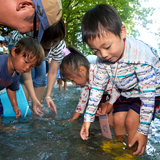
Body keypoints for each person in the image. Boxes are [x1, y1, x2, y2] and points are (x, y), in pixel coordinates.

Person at [80, 4, 160, 156]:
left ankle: (132, 151)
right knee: (117, 119)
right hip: (126, 91)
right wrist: (88, 119)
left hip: (151, 91)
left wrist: (143, 131)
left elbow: (147, 96)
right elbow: (97, 88)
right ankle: (119, 146)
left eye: (107, 47)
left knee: (131, 121)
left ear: (122, 32)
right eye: (96, 50)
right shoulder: (103, 59)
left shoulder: (140, 56)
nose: (103, 54)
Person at [18, 18, 66, 115]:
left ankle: (36, 107)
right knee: (23, 78)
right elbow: (26, 72)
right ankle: (24, 108)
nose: (50, 44)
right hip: (23, 49)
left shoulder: (60, 46)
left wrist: (48, 96)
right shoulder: (30, 36)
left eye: (55, 41)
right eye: (47, 40)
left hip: (41, 56)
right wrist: (33, 97)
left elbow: (52, 72)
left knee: (41, 78)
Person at [60, 46, 119, 122]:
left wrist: (109, 104)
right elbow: (82, 102)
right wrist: (72, 120)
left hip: (119, 91)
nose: (73, 83)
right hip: (107, 93)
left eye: (72, 79)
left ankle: (111, 128)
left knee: (111, 114)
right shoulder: (84, 81)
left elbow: (116, 91)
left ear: (82, 70)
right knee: (100, 113)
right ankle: (106, 130)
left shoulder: (98, 73)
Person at [0, 37, 44, 123]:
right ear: (14, 52)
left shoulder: (16, 73)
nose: (28, 67)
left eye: (32, 66)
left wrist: (15, 106)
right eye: (26, 62)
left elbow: (11, 88)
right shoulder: (1, 63)